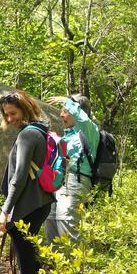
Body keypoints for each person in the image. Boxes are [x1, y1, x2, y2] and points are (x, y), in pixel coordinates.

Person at [0, 90, 54, 274]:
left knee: (26, 261)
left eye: (14, 113)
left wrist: (5, 210)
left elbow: (18, 178)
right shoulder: (39, 130)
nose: (10, 119)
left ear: (26, 110)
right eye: (6, 114)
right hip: (40, 202)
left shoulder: (28, 135)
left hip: (27, 206)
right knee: (31, 254)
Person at [44, 94, 100, 244]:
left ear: (77, 111)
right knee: (50, 219)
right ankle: (57, 265)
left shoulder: (90, 129)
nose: (61, 115)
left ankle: (76, 266)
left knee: (66, 221)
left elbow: (83, 119)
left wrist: (67, 101)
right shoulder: (69, 135)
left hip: (76, 182)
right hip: (59, 182)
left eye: (65, 110)